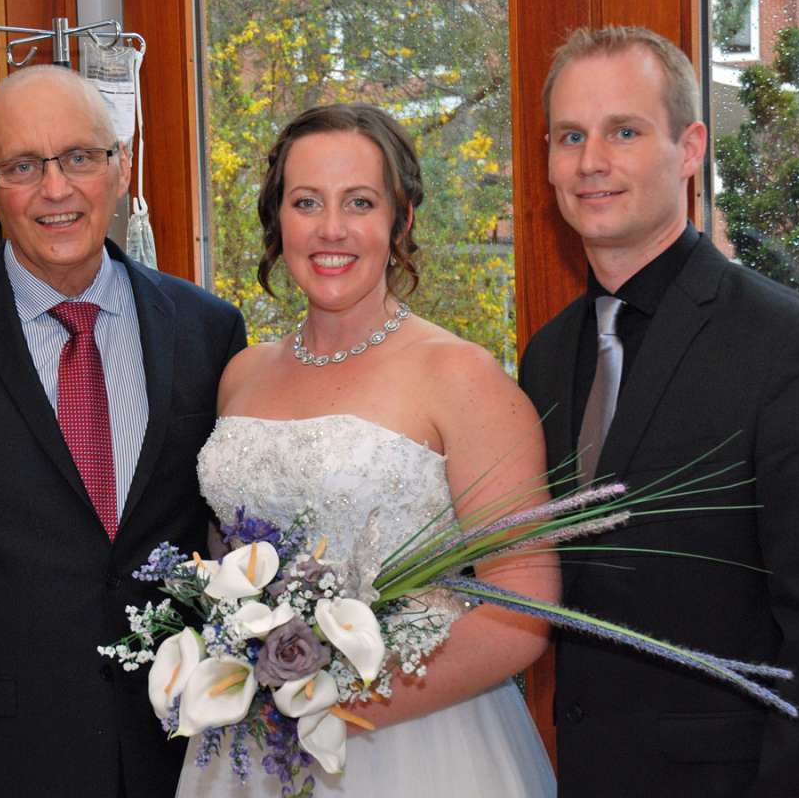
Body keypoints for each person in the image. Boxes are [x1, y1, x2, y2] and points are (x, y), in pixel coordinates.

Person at [0, 65, 246, 798]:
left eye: (79, 157)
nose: (57, 189)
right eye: (23, 166)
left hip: (181, 756)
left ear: (121, 167)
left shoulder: (209, 331)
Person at [178, 103, 559, 796]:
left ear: (401, 219)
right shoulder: (242, 374)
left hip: (418, 747)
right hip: (248, 749)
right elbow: (228, 565)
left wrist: (329, 708)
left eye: (359, 202)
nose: (331, 229)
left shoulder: (461, 377)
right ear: (277, 221)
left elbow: (523, 615)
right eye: (305, 202)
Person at [519, 26, 799, 797]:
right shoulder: (547, 358)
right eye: (569, 136)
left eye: (624, 131)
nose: (591, 162)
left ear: (690, 149)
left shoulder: (789, 346)